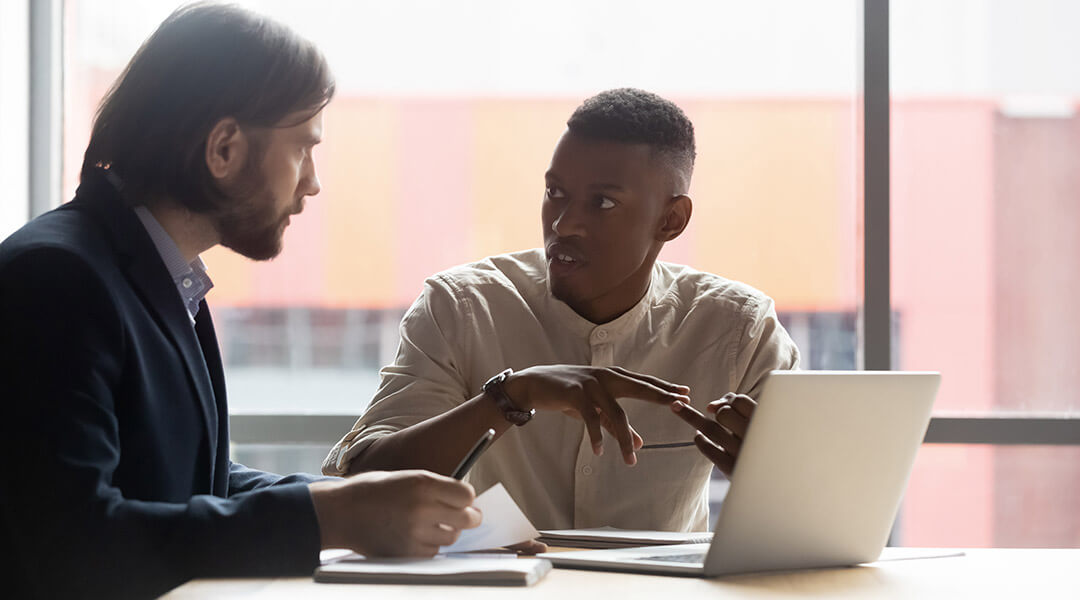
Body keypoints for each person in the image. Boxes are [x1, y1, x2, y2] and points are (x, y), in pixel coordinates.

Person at [0, 4, 479, 599]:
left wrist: (368, 506)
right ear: (223, 148)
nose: (313, 182)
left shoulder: (159, 273)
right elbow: (69, 543)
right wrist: (334, 518)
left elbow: (193, 482)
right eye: (303, 147)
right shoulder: (57, 278)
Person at [322, 88, 800, 533]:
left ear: (671, 220)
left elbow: (811, 518)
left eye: (603, 203)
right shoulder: (462, 308)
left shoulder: (739, 329)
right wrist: (510, 396)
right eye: (555, 194)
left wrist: (775, 483)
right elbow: (362, 482)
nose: (564, 223)